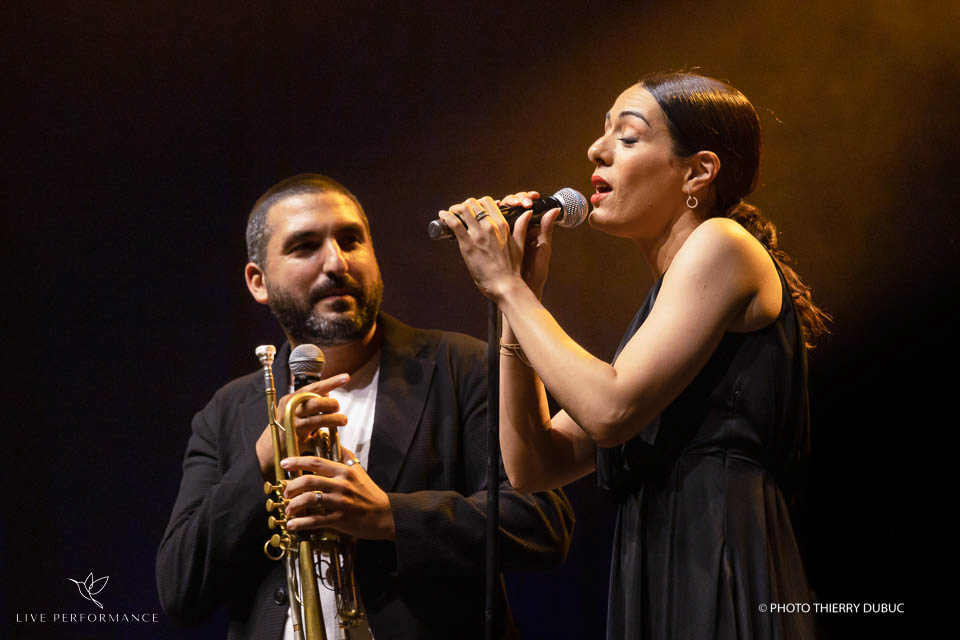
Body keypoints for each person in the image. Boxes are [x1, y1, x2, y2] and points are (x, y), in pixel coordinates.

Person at [438, 72, 828, 639]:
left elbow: (610, 409)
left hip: (721, 558)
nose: (595, 150)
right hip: (662, 562)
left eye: (627, 137)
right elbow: (533, 466)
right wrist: (519, 298)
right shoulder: (664, 308)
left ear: (698, 171)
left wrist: (509, 288)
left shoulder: (723, 244)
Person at [156, 174, 573, 640]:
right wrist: (261, 463)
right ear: (258, 282)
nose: (337, 263)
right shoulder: (227, 410)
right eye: (305, 247)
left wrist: (388, 516)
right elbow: (179, 588)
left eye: (351, 240)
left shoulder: (465, 366)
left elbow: (542, 524)